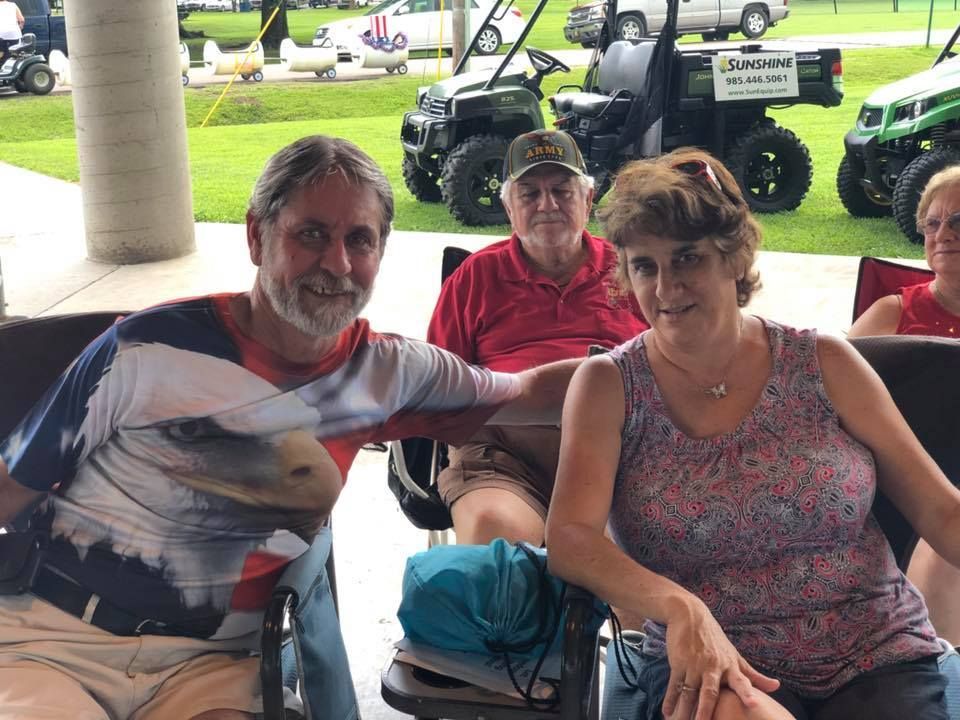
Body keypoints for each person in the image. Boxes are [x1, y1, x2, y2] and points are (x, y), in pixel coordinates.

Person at [0, 135, 579, 720]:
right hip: (53, 641)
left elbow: (528, 391)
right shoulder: (144, 350)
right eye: (311, 234)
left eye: (360, 240)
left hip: (213, 665)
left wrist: (657, 362)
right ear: (256, 236)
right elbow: (7, 489)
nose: (338, 264)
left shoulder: (387, 373)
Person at [545, 148, 959, 720]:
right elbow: (569, 537)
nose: (666, 288)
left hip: (873, 646)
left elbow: (942, 512)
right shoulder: (608, 385)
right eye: (644, 265)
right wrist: (678, 607)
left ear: (735, 259)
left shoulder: (824, 361)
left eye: (687, 258)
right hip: (709, 654)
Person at [427, 129, 648, 546]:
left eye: (561, 190)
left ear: (588, 199)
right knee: (497, 545)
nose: (547, 204)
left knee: (633, 554)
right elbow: (439, 386)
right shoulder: (474, 276)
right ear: (509, 207)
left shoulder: (634, 269)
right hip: (502, 461)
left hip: (622, 460)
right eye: (529, 193)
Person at [850, 164, 960, 646]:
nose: (943, 234)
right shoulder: (892, 313)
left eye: (959, 221)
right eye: (932, 223)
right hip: (904, 490)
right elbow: (828, 407)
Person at [0, 0, 24, 65]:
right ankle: (14, 67)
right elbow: (21, 20)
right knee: (15, 52)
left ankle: (2, 67)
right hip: (14, 34)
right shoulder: (13, 5)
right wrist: (20, 27)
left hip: (0, 34)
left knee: (1, 53)